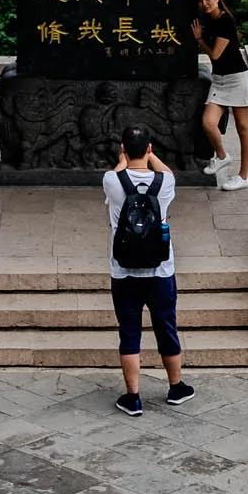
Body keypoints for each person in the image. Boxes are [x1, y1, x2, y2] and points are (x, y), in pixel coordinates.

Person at [103, 125, 194, 417]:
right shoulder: (164, 183)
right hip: (161, 271)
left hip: (124, 273)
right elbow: (166, 171)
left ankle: (133, 397)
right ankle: (176, 386)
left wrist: (123, 161)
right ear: (150, 149)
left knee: (129, 333)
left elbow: (119, 170)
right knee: (167, 327)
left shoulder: (111, 181)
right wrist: (152, 157)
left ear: (123, 149)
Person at [188, 0, 248, 191]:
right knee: (208, 122)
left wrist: (198, 40)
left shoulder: (225, 21)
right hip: (220, 80)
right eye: (200, 1)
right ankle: (222, 156)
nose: (204, 4)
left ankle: (243, 175)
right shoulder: (207, 15)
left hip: (238, 78)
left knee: (243, 129)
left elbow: (215, 55)